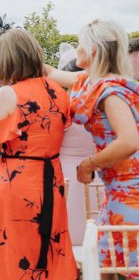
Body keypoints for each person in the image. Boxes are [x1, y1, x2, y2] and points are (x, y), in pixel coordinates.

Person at [0, 29, 77, 279]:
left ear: (5, 60)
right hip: (51, 182)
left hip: (16, 183)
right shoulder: (58, 92)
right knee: (45, 248)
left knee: (9, 252)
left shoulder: (7, 94)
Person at [46, 19, 139, 276]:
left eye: (80, 44)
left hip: (131, 192)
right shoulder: (91, 79)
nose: (76, 49)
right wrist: (14, 47)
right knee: (104, 261)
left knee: (126, 266)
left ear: (93, 50)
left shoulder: (110, 90)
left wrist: (89, 164)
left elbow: (130, 141)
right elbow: (52, 73)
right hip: (116, 189)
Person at [57, 44, 95, 246]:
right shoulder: (98, 102)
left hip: (66, 172)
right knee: (91, 220)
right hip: (95, 170)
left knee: (70, 222)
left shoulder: (62, 105)